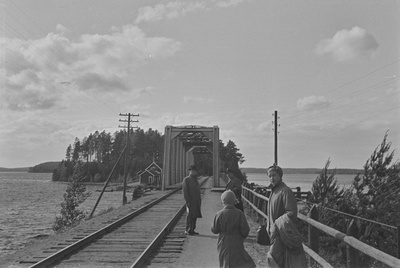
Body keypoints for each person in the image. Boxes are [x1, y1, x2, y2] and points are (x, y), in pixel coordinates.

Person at [266, 164, 307, 268]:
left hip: (282, 234)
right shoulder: (274, 190)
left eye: (274, 175)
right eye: (269, 176)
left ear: (280, 175)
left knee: (275, 261)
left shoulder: (285, 191)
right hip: (273, 234)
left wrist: (276, 226)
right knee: (276, 261)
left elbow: (291, 213)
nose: (272, 178)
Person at [211, 190, 256, 268]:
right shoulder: (239, 213)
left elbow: (214, 230)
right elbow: (245, 231)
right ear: (234, 201)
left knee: (225, 262)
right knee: (237, 262)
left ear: (223, 201)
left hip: (223, 242)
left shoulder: (219, 214)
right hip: (237, 241)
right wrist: (241, 236)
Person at [182, 164, 202, 235]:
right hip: (190, 201)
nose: (194, 172)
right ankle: (187, 230)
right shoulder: (186, 180)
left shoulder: (196, 180)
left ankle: (192, 229)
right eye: (192, 171)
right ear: (189, 171)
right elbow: (185, 191)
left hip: (196, 201)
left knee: (195, 216)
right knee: (190, 216)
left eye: (195, 171)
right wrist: (188, 201)